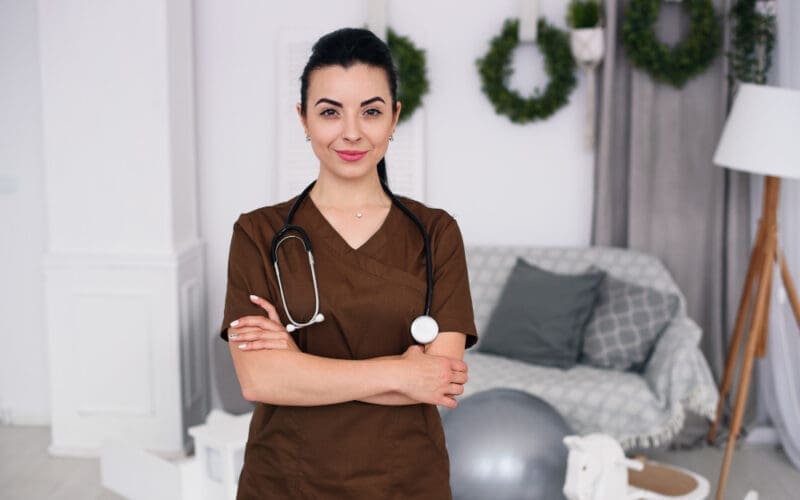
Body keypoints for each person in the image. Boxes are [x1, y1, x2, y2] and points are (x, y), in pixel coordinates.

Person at [219, 27, 478, 499]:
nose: (352, 132)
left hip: (406, 478)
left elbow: (439, 378)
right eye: (330, 112)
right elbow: (259, 378)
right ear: (303, 119)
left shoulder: (436, 233)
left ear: (395, 117)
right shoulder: (258, 233)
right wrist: (401, 373)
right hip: (288, 478)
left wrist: (300, 367)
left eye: (372, 111)